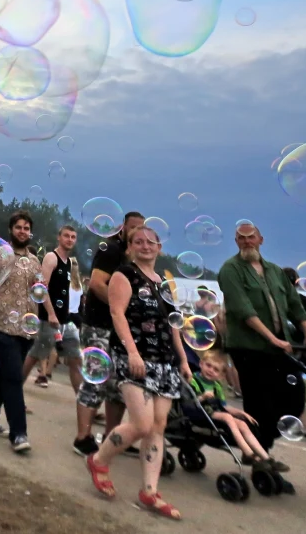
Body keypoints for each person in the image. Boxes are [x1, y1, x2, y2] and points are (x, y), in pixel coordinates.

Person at [84, 220, 191, 520]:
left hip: (165, 362)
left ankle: (149, 491)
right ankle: (99, 460)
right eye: (139, 241)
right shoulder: (124, 275)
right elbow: (116, 312)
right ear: (130, 247)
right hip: (134, 358)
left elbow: (174, 325)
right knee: (142, 424)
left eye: (151, 241)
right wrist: (132, 352)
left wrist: (182, 360)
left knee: (157, 427)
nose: (145, 245)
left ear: (159, 247)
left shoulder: (164, 284)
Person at [216, 222, 306, 462]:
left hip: (280, 346)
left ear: (261, 239)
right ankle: (257, 455)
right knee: (259, 404)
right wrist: (272, 338)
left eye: (251, 237)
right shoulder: (230, 270)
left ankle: (258, 444)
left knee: (294, 398)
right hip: (248, 348)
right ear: (236, 242)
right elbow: (242, 308)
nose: (246, 242)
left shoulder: (274, 271)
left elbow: (295, 305)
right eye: (241, 238)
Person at [74, 212, 145, 457]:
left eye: (142, 229)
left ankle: (111, 438)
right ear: (123, 227)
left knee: (119, 385)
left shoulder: (135, 258)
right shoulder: (111, 251)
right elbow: (96, 283)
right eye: (133, 227)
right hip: (99, 325)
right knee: (95, 380)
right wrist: (122, 309)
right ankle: (82, 438)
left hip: (120, 330)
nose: (138, 233)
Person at [0, 210, 40, 454]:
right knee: (14, 377)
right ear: (11, 230)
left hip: (25, 328)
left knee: (5, 372)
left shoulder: (34, 261)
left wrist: (51, 317)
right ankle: (19, 433)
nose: (22, 231)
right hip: (2, 323)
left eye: (26, 228)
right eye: (18, 227)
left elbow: (39, 291)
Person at [188, 350, 275, 467]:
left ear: (221, 376)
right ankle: (247, 452)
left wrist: (241, 413)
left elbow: (224, 406)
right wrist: (202, 397)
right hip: (198, 412)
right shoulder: (193, 380)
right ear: (201, 364)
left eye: (216, 370)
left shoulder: (216, 386)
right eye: (208, 365)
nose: (211, 370)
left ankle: (265, 457)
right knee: (228, 417)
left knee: (242, 424)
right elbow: (188, 403)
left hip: (214, 413)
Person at [27, 224, 78, 389]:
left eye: (73, 237)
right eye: (66, 236)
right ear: (59, 237)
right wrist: (51, 314)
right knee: (34, 356)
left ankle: (86, 404)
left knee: (76, 358)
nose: (69, 239)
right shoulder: (51, 257)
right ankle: (10, 392)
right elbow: (41, 287)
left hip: (64, 319)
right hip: (47, 319)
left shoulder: (69, 262)